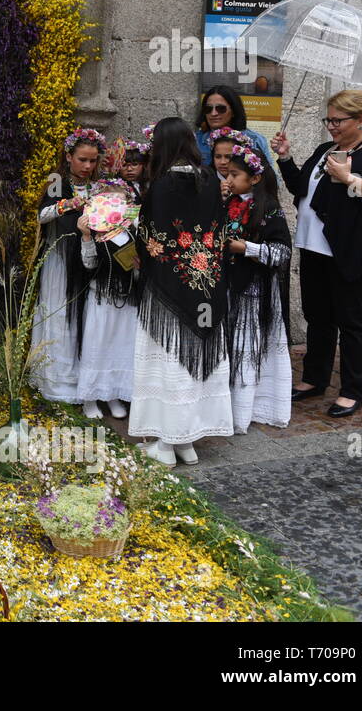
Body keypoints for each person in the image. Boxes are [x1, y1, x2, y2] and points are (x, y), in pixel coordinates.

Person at [272, 90, 362, 418]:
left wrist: (351, 179)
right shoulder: (325, 150)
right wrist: (286, 158)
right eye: (328, 119)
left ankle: (351, 390)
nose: (331, 126)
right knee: (318, 316)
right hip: (315, 247)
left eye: (337, 120)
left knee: (352, 320)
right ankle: (315, 378)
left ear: (360, 121)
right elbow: (300, 189)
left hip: (354, 250)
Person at [129, 117, 232, 466]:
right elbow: (217, 233)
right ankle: (184, 441)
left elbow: (150, 239)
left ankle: (166, 445)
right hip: (205, 285)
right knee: (190, 366)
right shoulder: (210, 181)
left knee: (168, 363)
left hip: (167, 292)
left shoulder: (161, 185)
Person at [30, 127, 104, 409]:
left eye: (93, 161)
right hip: (60, 260)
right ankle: (57, 382)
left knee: (86, 318)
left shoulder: (99, 186)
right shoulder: (56, 179)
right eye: (82, 159)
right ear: (69, 156)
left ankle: (85, 382)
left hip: (88, 259)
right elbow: (43, 215)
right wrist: (68, 204)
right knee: (61, 315)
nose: (87, 166)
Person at [221, 143, 291, 433]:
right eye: (226, 174)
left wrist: (245, 247)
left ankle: (245, 411)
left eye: (235, 174)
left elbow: (282, 251)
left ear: (255, 178)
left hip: (255, 292)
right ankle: (223, 407)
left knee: (246, 348)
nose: (229, 180)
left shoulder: (269, 209)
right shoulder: (226, 203)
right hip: (227, 288)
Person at [75, 180, 139, 419]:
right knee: (97, 345)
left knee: (121, 346)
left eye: (121, 201)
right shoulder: (95, 232)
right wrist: (85, 235)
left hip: (127, 299)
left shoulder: (132, 230)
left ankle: (113, 394)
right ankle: (90, 397)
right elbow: (88, 264)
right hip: (101, 297)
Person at [195, 85, 272, 169]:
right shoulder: (195, 141)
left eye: (221, 108)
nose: (213, 113)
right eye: (208, 109)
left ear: (233, 111)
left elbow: (270, 177)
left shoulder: (256, 140)